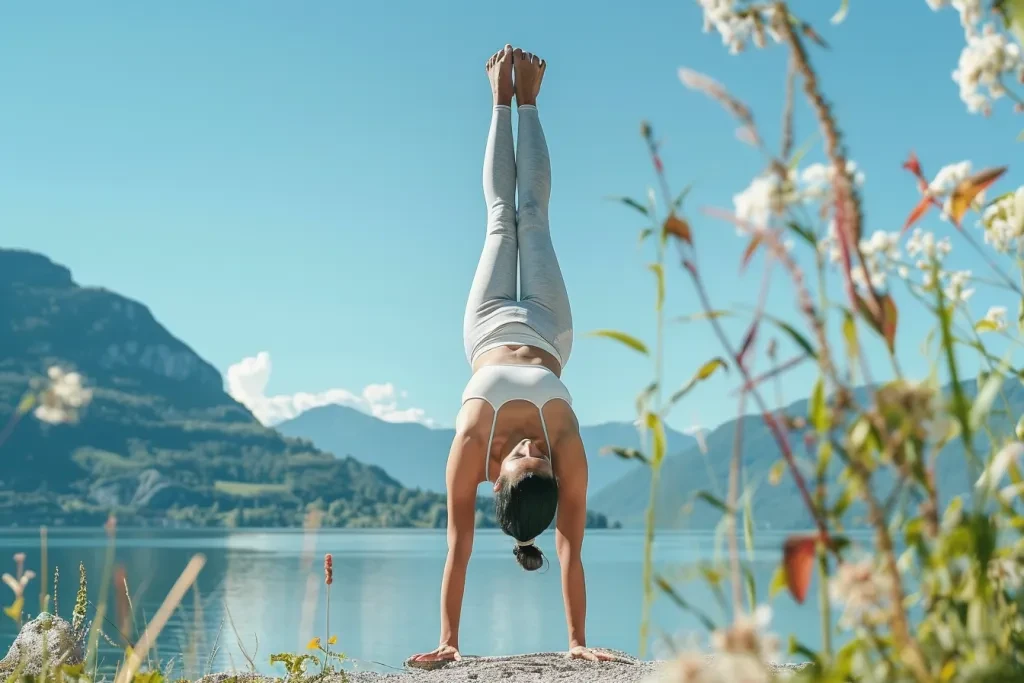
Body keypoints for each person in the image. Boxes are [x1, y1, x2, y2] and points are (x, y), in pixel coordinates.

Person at [407, 45, 620, 668]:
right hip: (552, 331)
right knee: (538, 218)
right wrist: (578, 644)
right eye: (540, 462)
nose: (532, 450)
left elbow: (457, 547)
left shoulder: (472, 450)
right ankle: (531, 100)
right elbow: (572, 550)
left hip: (486, 327)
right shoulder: (568, 453)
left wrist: (449, 642)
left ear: (496, 480)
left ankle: (500, 100)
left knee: (503, 219)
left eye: (521, 461)